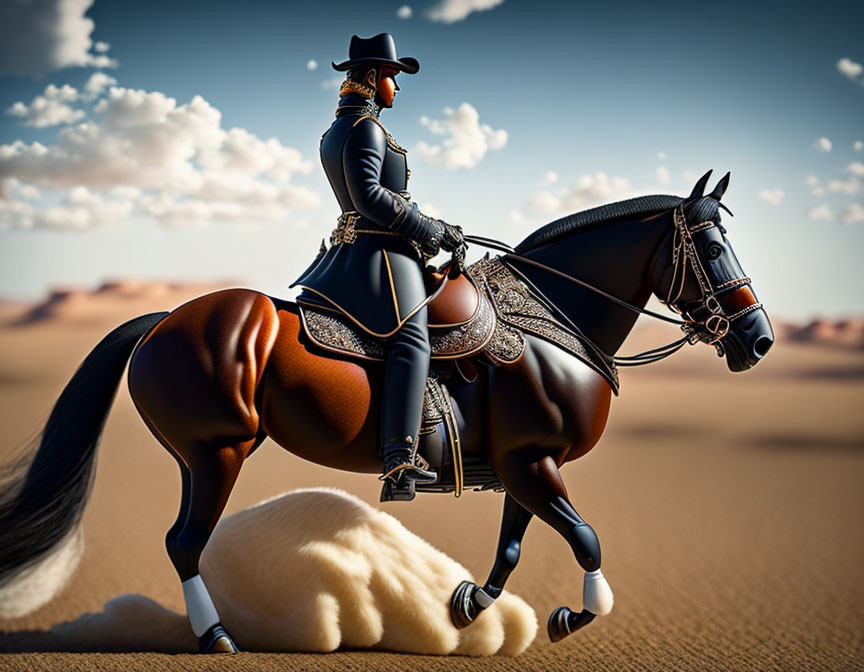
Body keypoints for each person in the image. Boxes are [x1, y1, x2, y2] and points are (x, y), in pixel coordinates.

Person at [291, 33, 465, 497]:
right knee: (412, 340)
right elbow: (369, 196)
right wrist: (428, 228)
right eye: (393, 77)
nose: (397, 88)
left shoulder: (335, 131)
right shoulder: (367, 129)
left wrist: (431, 224)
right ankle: (400, 458)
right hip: (380, 255)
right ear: (372, 77)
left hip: (350, 249)